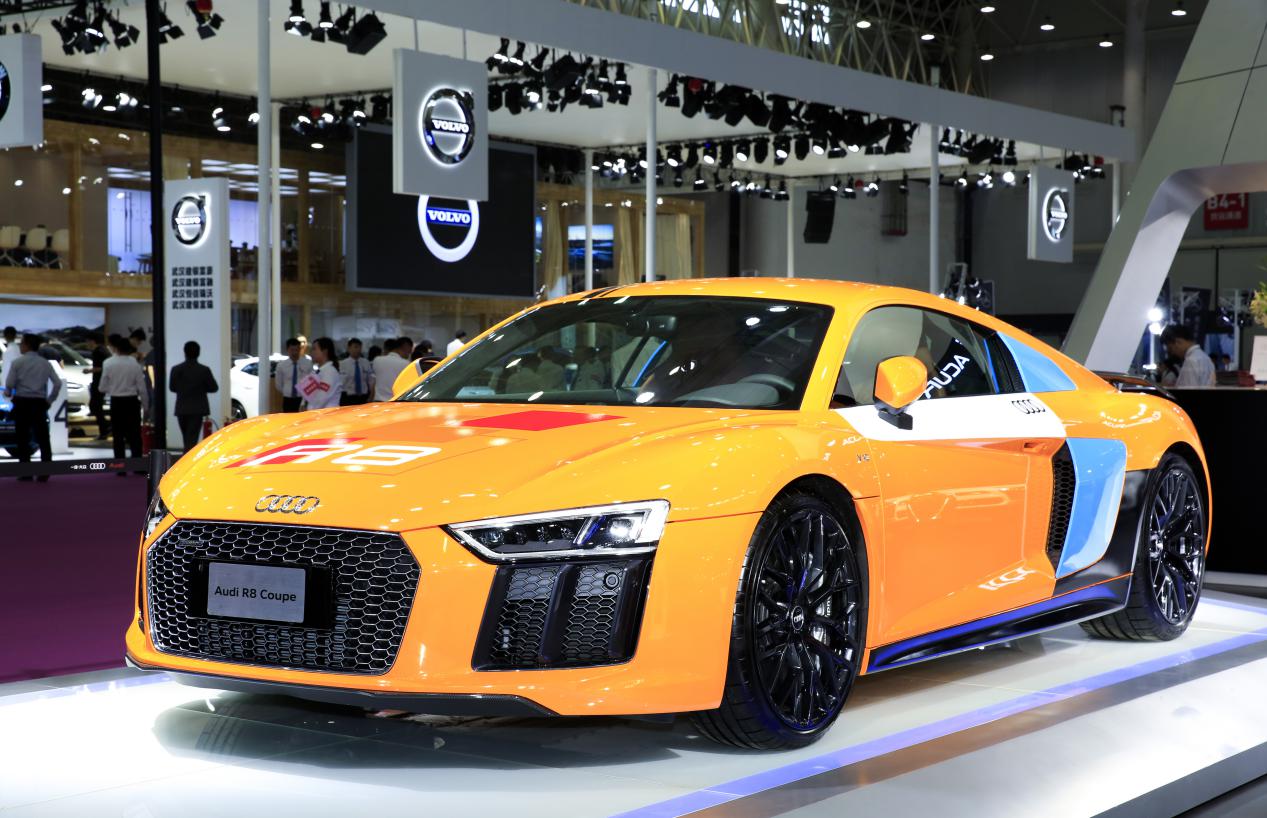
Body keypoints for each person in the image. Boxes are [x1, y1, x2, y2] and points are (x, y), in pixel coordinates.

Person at [4, 333, 62, 482]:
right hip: (39, 403)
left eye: (22, 343)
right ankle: (45, 471)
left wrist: (8, 392)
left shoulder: (17, 362)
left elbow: (9, 384)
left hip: (22, 403)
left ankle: (26, 472)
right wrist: (50, 400)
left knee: (22, 438)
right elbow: (57, 383)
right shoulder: (45, 363)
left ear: (26, 345)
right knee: (43, 438)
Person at [98, 337, 148, 468]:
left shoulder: (108, 363)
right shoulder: (134, 364)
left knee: (118, 435)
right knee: (135, 435)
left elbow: (102, 387)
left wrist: (113, 389)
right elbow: (142, 388)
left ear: (116, 349)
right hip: (132, 401)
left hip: (116, 402)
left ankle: (120, 466)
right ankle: (137, 465)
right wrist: (146, 406)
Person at [169, 340, 219, 454]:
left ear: (184, 352)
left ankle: (186, 457)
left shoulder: (176, 369)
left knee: (186, 437)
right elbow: (214, 388)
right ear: (198, 353)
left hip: (181, 408)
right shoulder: (204, 370)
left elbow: (172, 388)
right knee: (192, 438)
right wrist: (201, 388)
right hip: (197, 408)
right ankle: (188, 459)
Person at [274, 337, 314, 412]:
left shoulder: (307, 363)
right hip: (287, 399)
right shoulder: (281, 365)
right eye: (292, 350)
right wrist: (286, 391)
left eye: (297, 350)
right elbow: (278, 384)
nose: (295, 353)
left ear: (300, 349)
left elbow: (312, 381)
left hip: (303, 398)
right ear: (287, 350)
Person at [303, 337, 342, 410]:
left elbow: (321, 399)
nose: (311, 353)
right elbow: (307, 393)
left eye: (314, 349)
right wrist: (303, 404)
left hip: (326, 414)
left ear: (324, 351)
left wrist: (308, 412)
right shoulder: (317, 371)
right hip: (314, 413)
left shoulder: (330, 372)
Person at [86, 331, 111, 439]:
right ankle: (105, 427)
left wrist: (89, 370)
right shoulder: (104, 350)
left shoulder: (98, 351)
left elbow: (102, 367)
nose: (87, 344)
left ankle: (105, 428)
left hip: (99, 382)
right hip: (101, 382)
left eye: (88, 341)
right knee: (96, 406)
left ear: (92, 341)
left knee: (95, 406)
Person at [372, 336, 410, 401]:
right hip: (395, 402)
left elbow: (374, 382)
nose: (408, 354)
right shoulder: (406, 363)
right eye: (408, 352)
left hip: (378, 402)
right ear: (399, 348)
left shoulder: (377, 360)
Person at [339, 338, 373, 406]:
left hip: (363, 397)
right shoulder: (342, 364)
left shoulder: (366, 362)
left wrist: (371, 396)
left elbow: (370, 381)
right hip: (348, 398)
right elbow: (340, 384)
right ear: (349, 348)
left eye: (360, 347)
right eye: (355, 347)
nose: (358, 349)